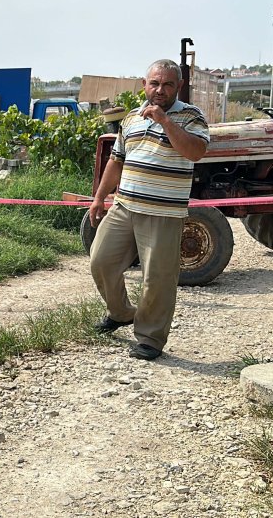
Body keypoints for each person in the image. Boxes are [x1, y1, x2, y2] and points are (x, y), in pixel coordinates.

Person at [88, 59, 210, 361]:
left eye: (167, 84)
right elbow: (116, 160)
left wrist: (165, 122)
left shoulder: (191, 117)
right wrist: (99, 197)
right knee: (100, 261)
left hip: (163, 212)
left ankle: (150, 338)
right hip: (124, 205)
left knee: (157, 278)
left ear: (177, 87)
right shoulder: (131, 118)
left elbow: (195, 152)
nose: (160, 90)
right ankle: (121, 312)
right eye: (154, 83)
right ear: (144, 85)